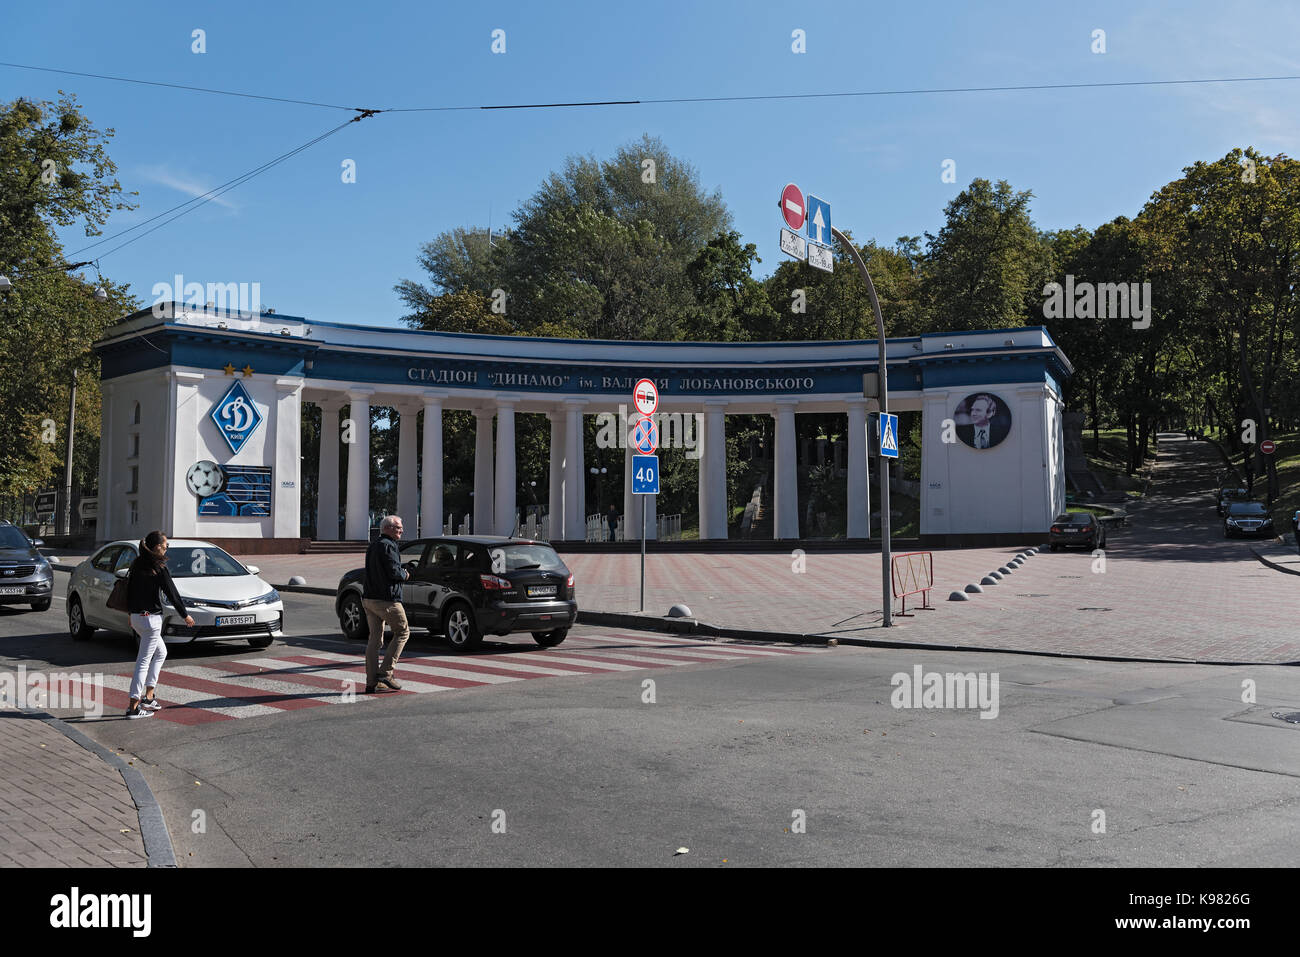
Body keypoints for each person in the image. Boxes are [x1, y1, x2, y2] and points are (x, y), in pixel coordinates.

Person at [125, 531, 193, 719]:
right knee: (143, 662)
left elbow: (129, 590)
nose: (166, 549)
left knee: (161, 652)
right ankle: (133, 707)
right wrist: (185, 615)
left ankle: (148, 697)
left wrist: (130, 613)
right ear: (157, 548)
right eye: (165, 546)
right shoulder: (158, 566)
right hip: (151, 620)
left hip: (137, 618)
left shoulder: (137, 564)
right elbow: (172, 592)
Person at [362, 515, 411, 694]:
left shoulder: (373, 545)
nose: (401, 529)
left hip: (369, 599)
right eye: (398, 526)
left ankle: (371, 682)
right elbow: (393, 572)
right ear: (388, 528)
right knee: (403, 632)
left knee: (375, 640)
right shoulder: (389, 545)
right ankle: (386, 673)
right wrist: (405, 574)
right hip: (386, 599)